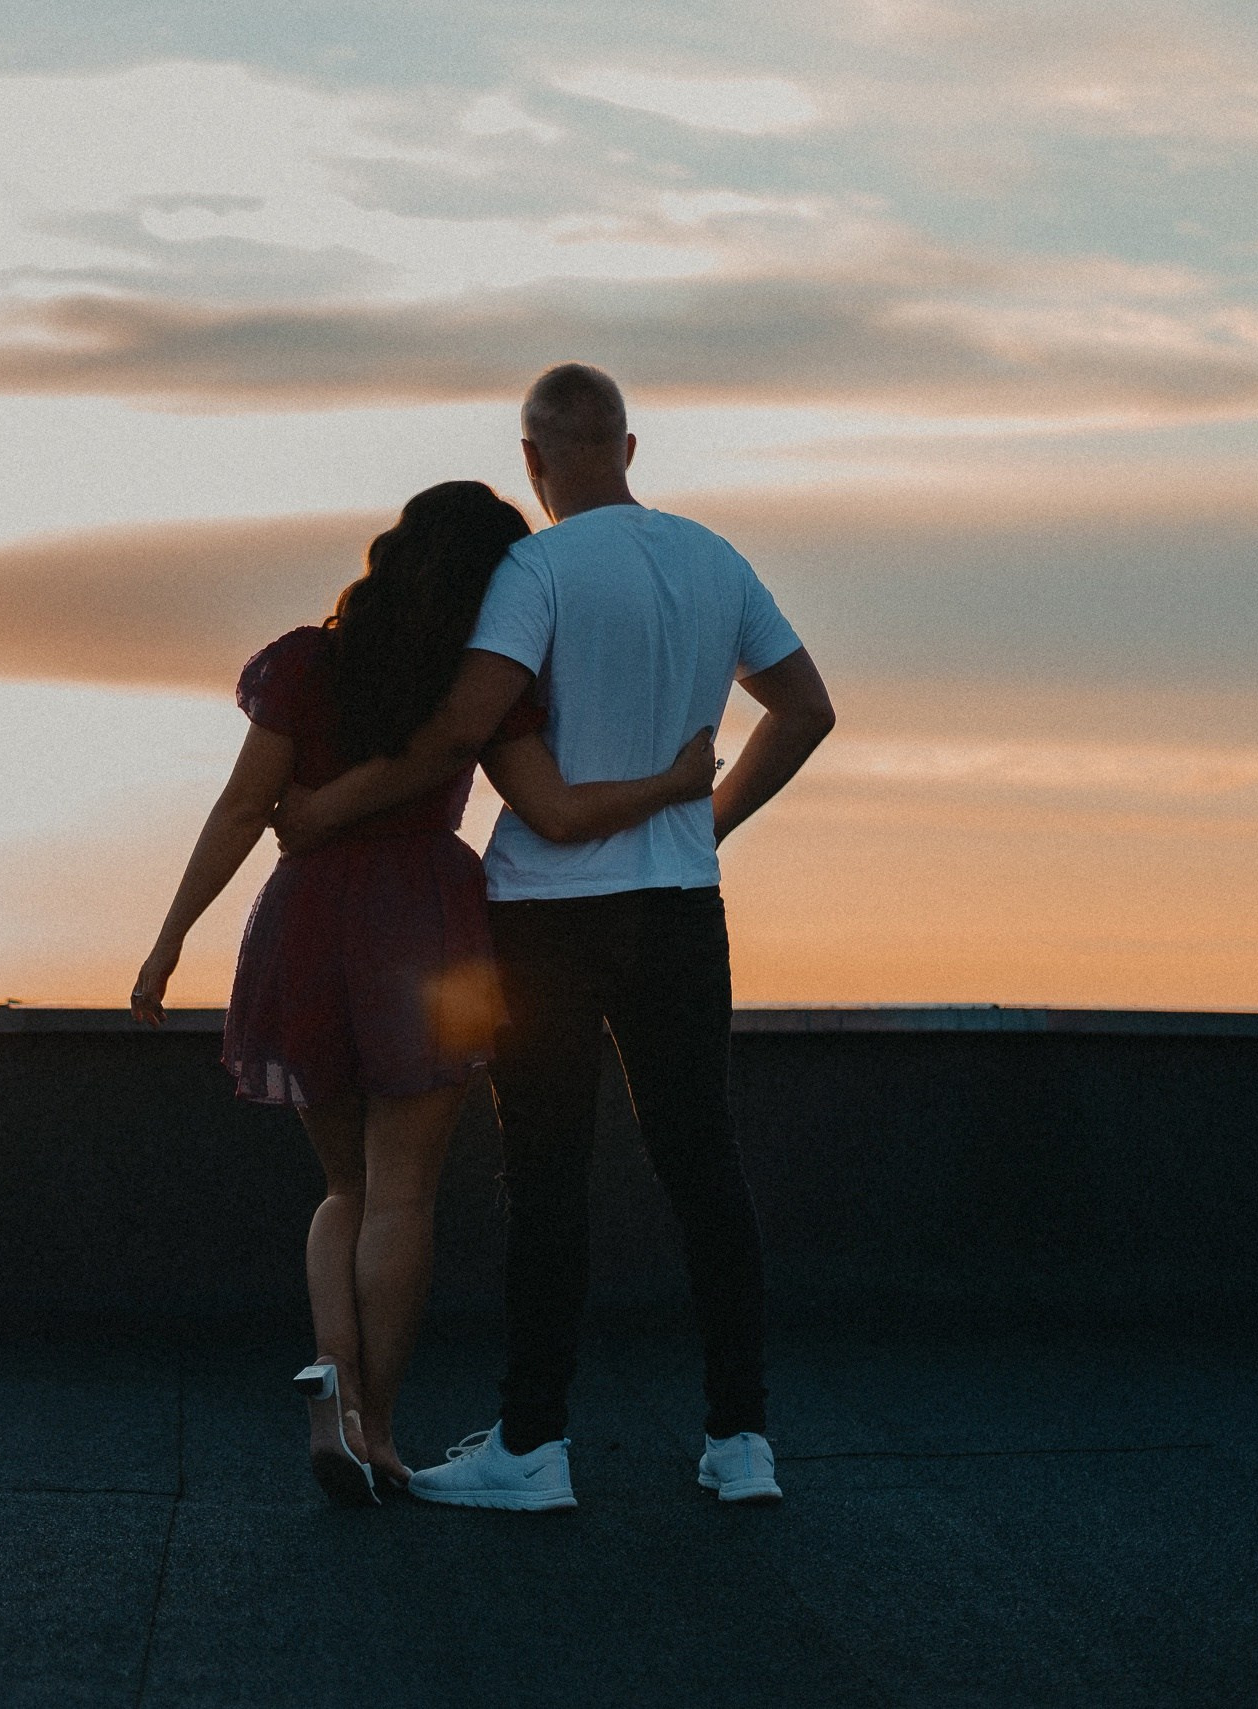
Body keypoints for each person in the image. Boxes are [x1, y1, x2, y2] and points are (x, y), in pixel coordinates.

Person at [278, 365, 836, 1512]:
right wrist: (703, 817)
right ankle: (741, 1442)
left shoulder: (531, 567)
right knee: (704, 1166)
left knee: (546, 1180)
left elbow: (468, 726)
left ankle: (533, 1447)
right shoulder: (714, 558)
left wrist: (328, 808)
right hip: (681, 903)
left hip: (543, 916)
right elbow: (806, 707)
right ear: (628, 445)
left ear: (531, 460)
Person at [130, 479, 719, 1507]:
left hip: (305, 921)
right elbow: (554, 809)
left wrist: (168, 938)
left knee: (343, 1187)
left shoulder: (303, 664)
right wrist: (673, 786)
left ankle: (331, 1370)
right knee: (402, 1192)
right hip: (427, 926)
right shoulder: (481, 681)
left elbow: (239, 808)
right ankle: (380, 1427)